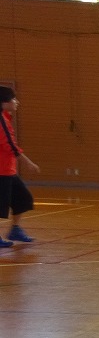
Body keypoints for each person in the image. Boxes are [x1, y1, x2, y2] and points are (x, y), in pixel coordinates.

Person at [0, 86, 39, 248]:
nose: (17, 102)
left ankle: (15, 230)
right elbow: (10, 146)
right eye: (13, 99)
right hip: (1, 172)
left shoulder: (5, 118)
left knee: (23, 198)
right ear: (4, 102)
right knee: (1, 205)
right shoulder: (1, 121)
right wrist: (28, 162)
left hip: (8, 171)